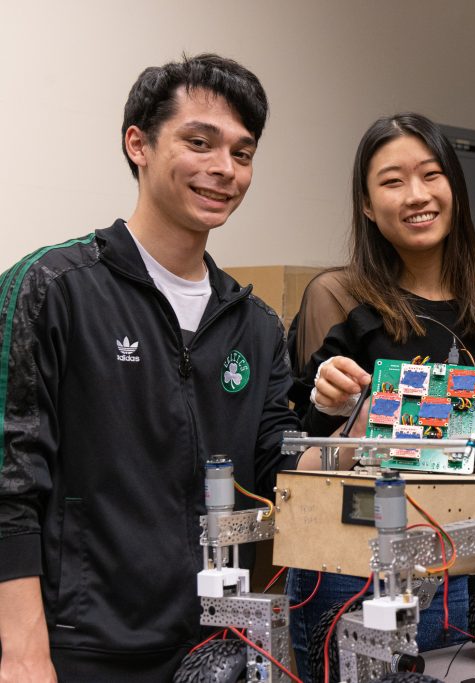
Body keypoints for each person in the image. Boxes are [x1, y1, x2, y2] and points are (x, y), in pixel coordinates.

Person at [0, 54, 322, 682]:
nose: (224, 169)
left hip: (215, 648)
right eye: (199, 142)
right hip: (79, 649)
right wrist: (21, 651)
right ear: (138, 144)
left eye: (243, 152)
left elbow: (273, 472)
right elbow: (10, 484)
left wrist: (342, 426)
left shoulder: (254, 324)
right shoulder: (54, 287)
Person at [285, 112, 475, 680]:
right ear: (368, 205)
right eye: (392, 181)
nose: (417, 195)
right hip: (357, 580)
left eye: (430, 174)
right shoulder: (336, 295)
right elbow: (299, 464)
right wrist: (334, 410)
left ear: (456, 186)